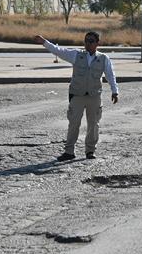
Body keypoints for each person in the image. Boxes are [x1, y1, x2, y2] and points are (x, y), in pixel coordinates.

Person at [36, 31, 119, 161]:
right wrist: (44, 42)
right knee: (73, 124)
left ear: (97, 43)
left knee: (93, 125)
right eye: (86, 41)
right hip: (77, 95)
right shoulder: (76, 55)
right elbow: (59, 51)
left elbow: (110, 75)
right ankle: (69, 151)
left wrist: (115, 91)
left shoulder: (103, 58)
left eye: (91, 41)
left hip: (94, 96)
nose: (88, 44)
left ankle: (90, 151)